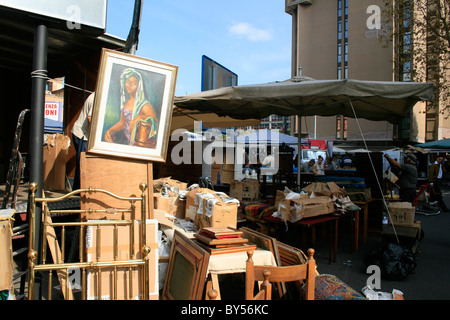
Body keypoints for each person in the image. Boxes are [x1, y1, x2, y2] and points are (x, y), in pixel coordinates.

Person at [104, 68, 158, 148]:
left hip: (140, 144)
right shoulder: (126, 102)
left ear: (138, 85)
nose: (130, 86)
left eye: (134, 83)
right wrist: (109, 131)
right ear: (124, 83)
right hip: (129, 142)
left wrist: (139, 117)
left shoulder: (143, 104)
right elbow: (122, 123)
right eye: (128, 82)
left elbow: (154, 120)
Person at [71, 92, 95, 190]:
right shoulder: (97, 97)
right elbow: (90, 118)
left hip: (86, 135)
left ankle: (79, 192)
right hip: (82, 135)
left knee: (83, 164)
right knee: (83, 164)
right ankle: (78, 194)